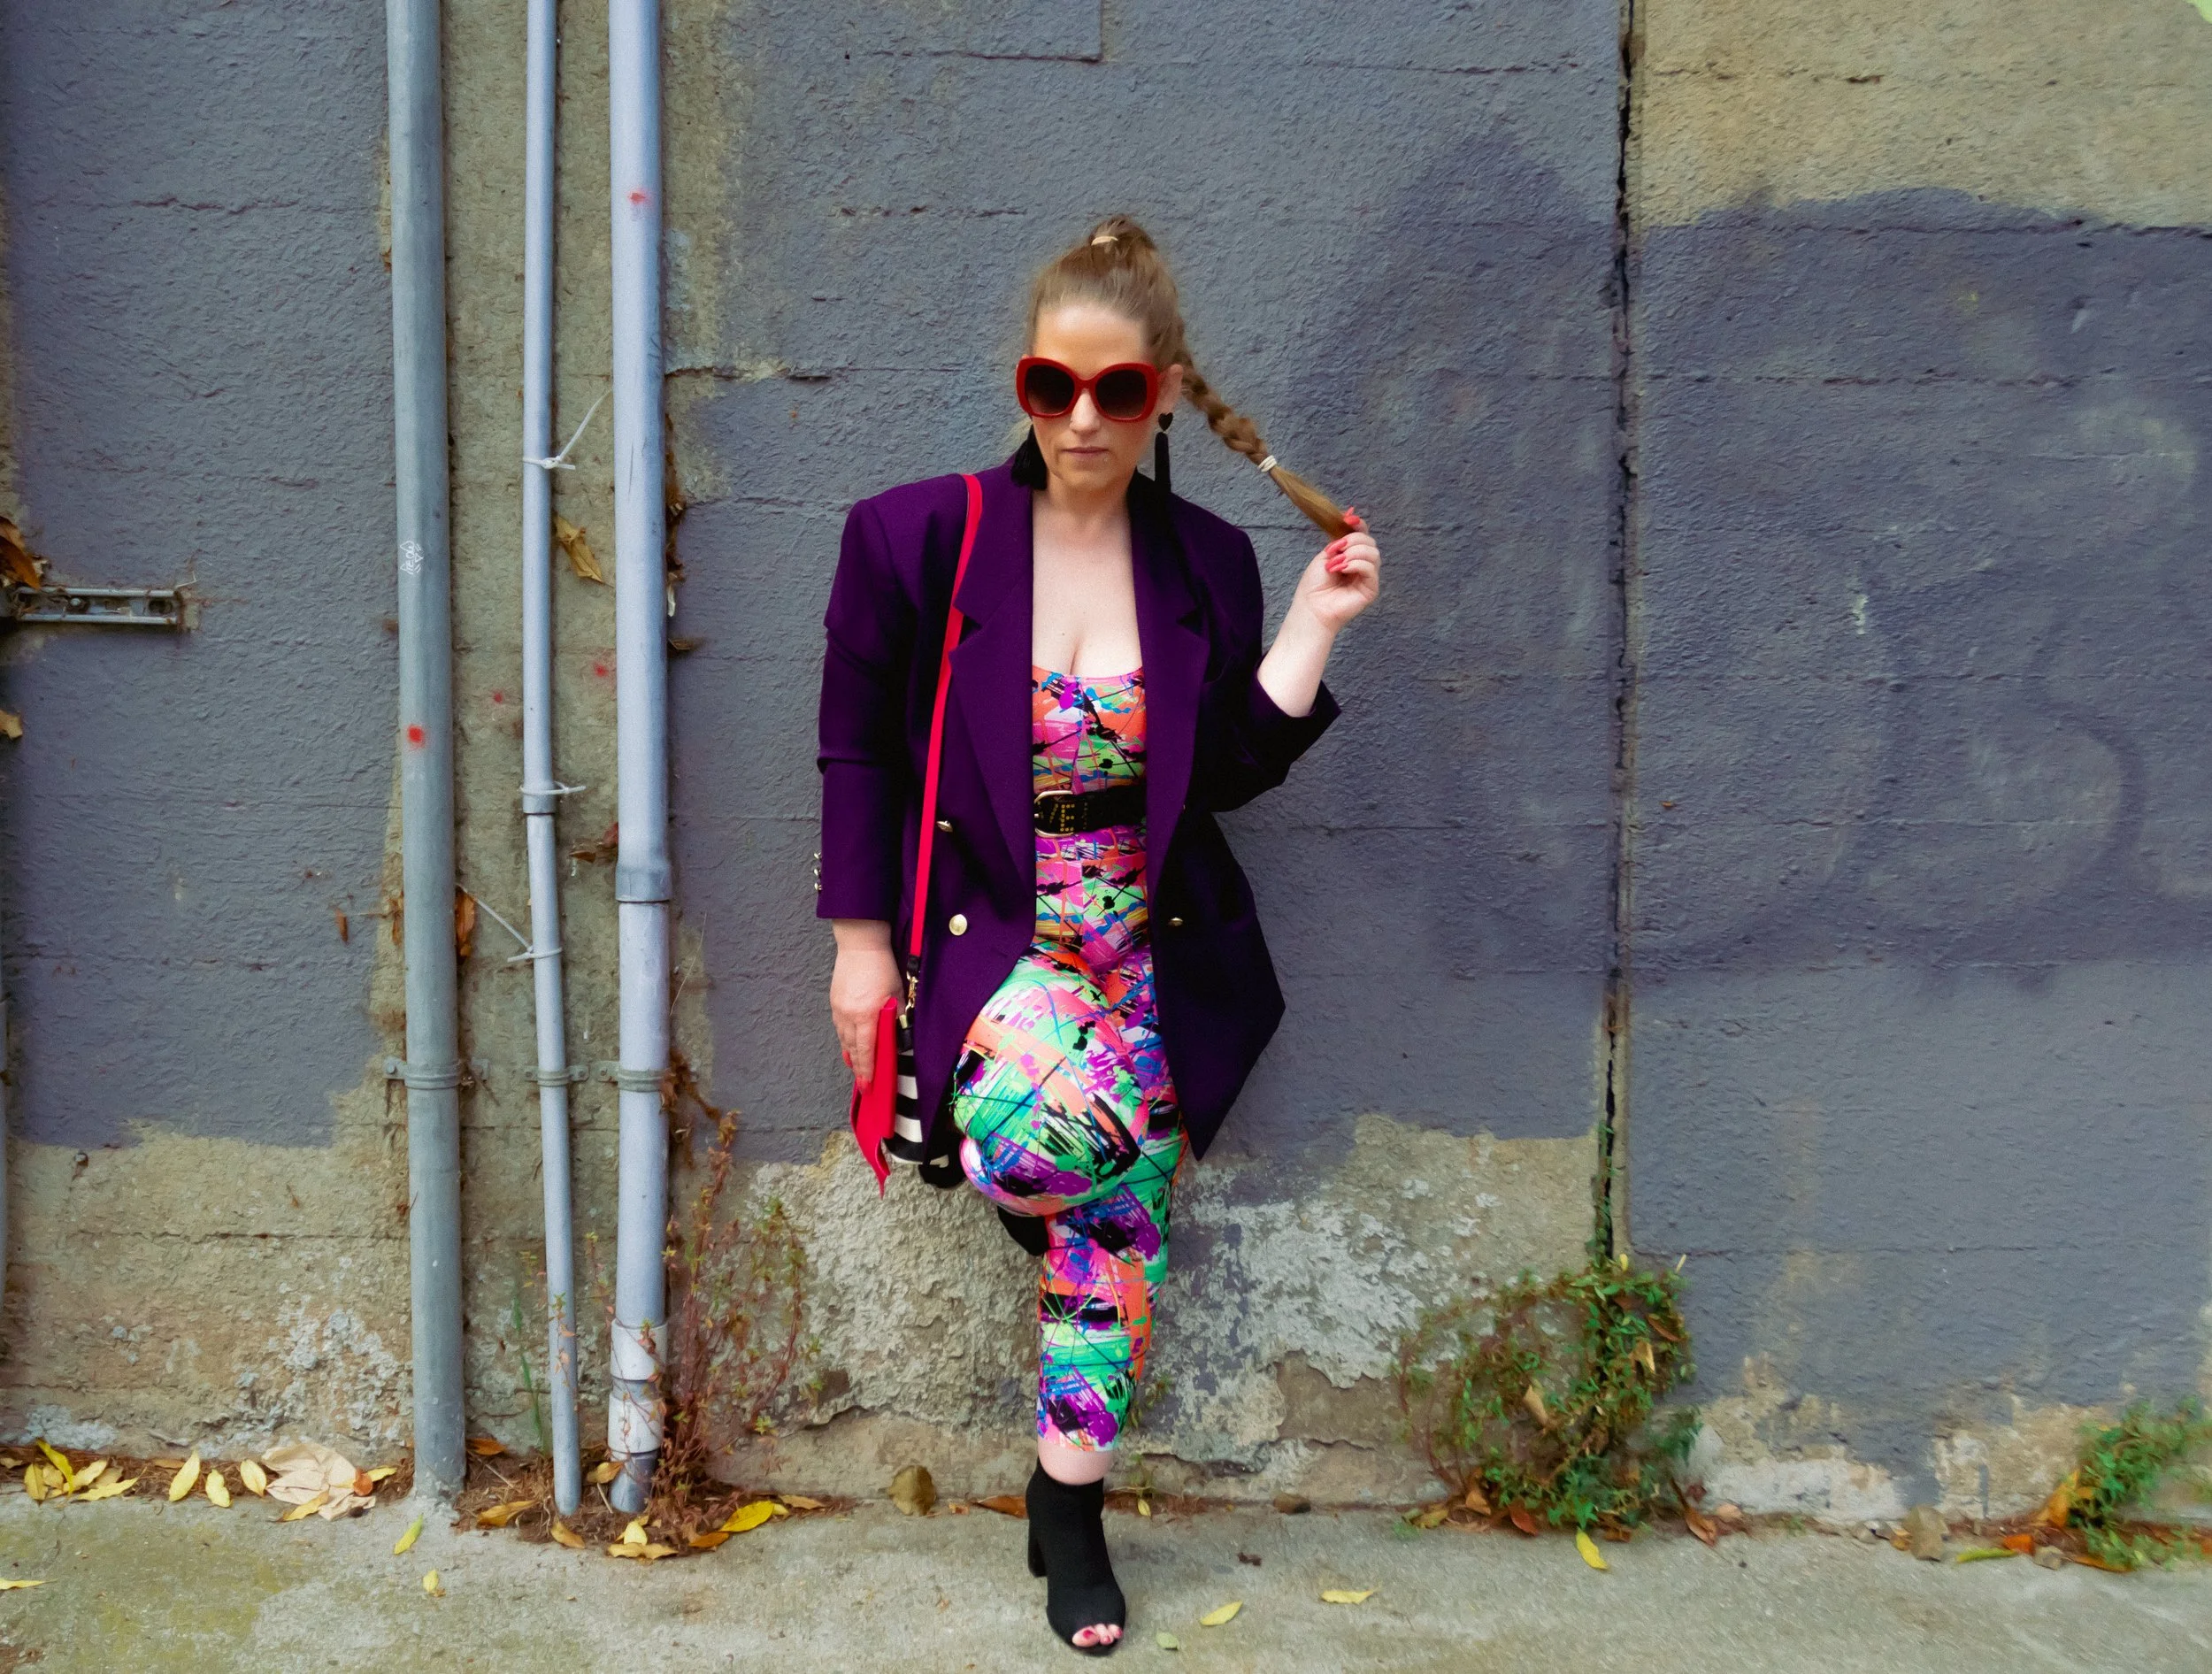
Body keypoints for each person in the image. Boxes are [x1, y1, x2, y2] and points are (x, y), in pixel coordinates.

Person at [817, 215, 1380, 1655]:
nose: (1081, 420)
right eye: (1050, 387)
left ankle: (1068, 1502)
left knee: (1113, 1238)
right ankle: (1065, 1495)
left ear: (1167, 393)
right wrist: (860, 945)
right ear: (1022, 384)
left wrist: (1312, 627)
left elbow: (1225, 774)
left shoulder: (1203, 562)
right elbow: (860, 756)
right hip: (995, 957)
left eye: (1117, 393)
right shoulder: (915, 537)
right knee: (1065, 1170)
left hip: (1145, 961)